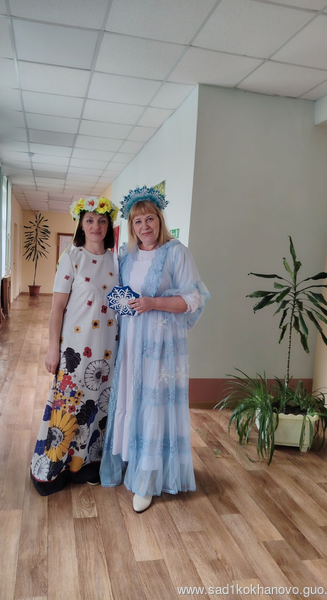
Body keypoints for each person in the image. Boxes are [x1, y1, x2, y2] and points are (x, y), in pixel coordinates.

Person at [100, 186, 210, 512]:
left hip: (160, 346)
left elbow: (193, 299)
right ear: (131, 227)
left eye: (149, 219)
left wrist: (153, 303)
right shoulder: (127, 257)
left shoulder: (177, 253)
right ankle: (128, 463)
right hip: (130, 343)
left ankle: (147, 480)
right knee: (129, 401)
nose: (144, 226)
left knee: (152, 407)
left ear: (160, 220)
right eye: (137, 221)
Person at [30, 196, 119, 496]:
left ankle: (86, 465)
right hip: (75, 350)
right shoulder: (71, 258)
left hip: (108, 350)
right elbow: (57, 308)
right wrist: (52, 348)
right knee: (68, 407)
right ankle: (54, 468)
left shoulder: (116, 261)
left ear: (109, 225)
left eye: (102, 221)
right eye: (90, 220)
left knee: (97, 408)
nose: (96, 226)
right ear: (81, 224)